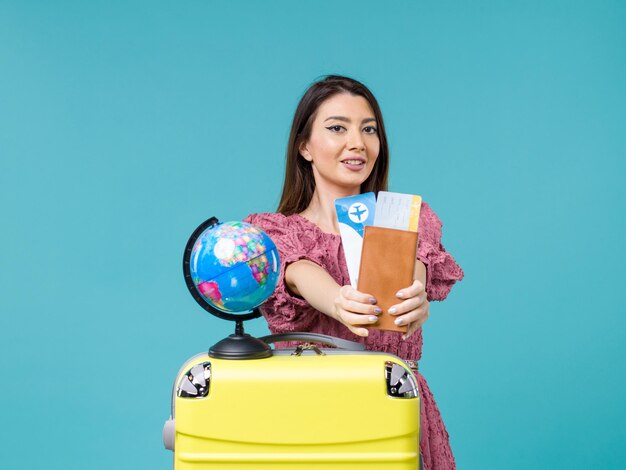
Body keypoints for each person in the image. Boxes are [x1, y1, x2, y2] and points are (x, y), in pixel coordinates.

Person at [245, 75, 463, 470]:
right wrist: (338, 300)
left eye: (369, 129)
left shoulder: (402, 217)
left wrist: (414, 292)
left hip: (393, 408)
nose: (357, 143)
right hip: (308, 416)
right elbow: (298, 270)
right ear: (304, 146)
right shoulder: (276, 233)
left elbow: (414, 263)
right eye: (337, 128)